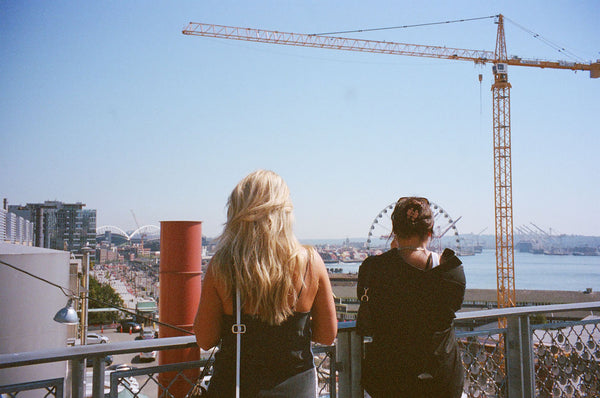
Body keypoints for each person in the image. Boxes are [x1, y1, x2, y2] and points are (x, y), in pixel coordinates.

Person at [194, 170, 338, 397]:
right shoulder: (311, 262)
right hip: (296, 385)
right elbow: (327, 335)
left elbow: (205, 339)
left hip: (235, 385)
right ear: (284, 212)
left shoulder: (222, 265)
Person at [357, 196, 466, 398]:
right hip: (441, 378)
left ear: (394, 230)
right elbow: (451, 306)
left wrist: (392, 256)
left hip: (389, 379)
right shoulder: (451, 271)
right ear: (430, 231)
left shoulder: (372, 269)